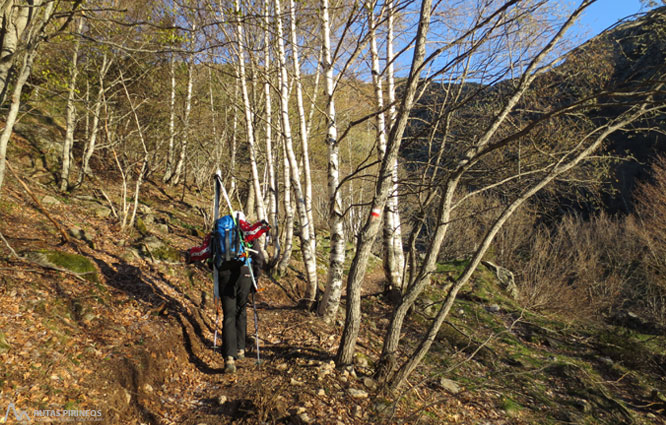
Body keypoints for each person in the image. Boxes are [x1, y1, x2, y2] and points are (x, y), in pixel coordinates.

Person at [219, 245, 264, 373]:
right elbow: (259, 257)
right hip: (245, 272)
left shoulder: (218, 229)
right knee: (241, 311)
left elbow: (210, 256)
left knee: (228, 315)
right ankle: (240, 349)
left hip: (225, 272)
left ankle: (229, 358)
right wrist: (255, 278)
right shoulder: (247, 231)